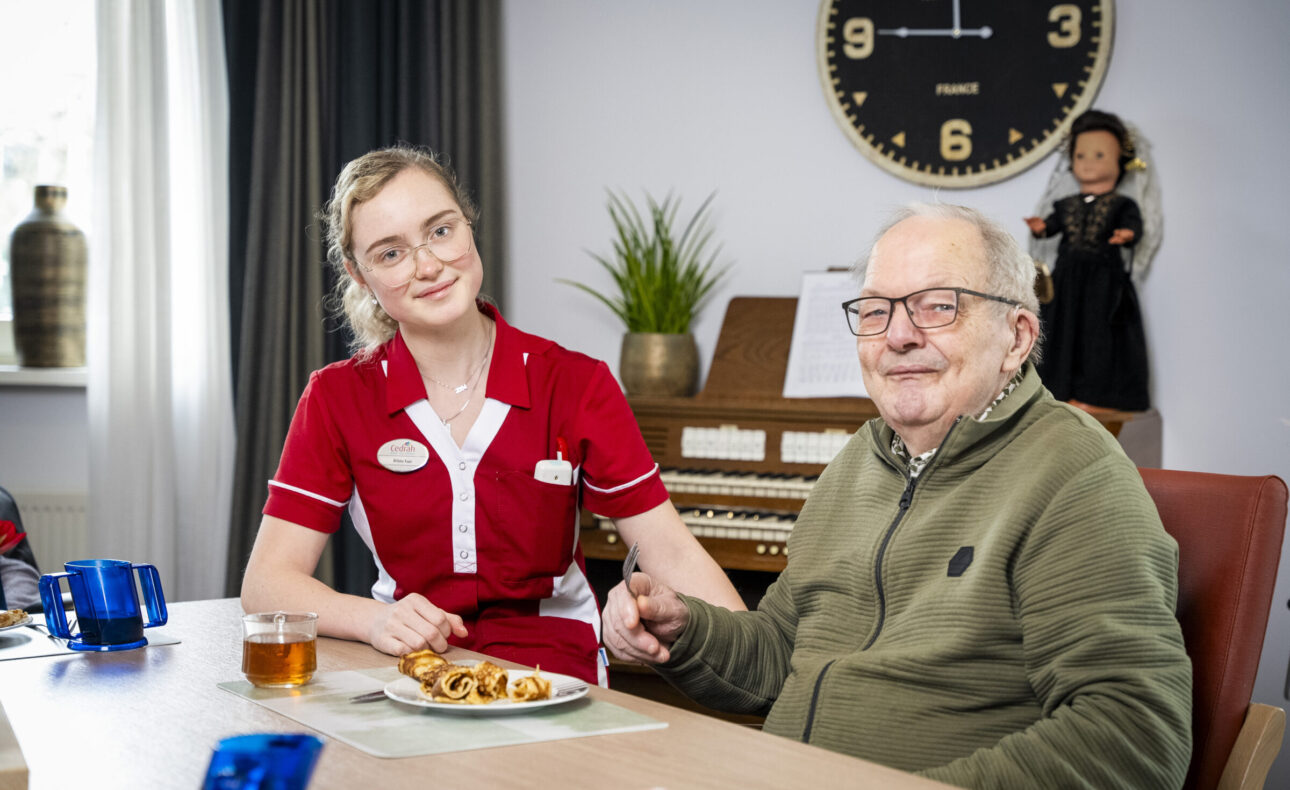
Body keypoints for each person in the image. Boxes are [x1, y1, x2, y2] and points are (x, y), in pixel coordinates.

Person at [603, 203, 1192, 788]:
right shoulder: (860, 460)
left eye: (939, 305)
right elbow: (782, 651)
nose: (899, 336)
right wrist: (685, 629)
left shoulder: (1075, 472)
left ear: (1016, 338)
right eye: (876, 310)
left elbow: (1134, 735)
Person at [240, 145, 744, 685]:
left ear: (468, 223)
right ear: (358, 275)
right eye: (390, 254)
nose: (428, 266)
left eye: (440, 230)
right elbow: (267, 583)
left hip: (554, 676)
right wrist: (374, 620)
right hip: (409, 671)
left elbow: (672, 553)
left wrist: (762, 659)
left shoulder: (577, 384)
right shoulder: (336, 397)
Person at [1024, 109, 1150, 411]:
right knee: (1064, 332)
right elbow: (1053, 226)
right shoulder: (1065, 204)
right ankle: (1061, 390)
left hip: (1104, 282)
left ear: (1121, 160)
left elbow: (1135, 227)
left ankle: (1096, 395)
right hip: (1066, 281)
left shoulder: (1121, 204)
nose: (1088, 162)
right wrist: (1041, 228)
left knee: (1099, 336)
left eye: (1100, 155)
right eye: (1081, 156)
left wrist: (1127, 234)